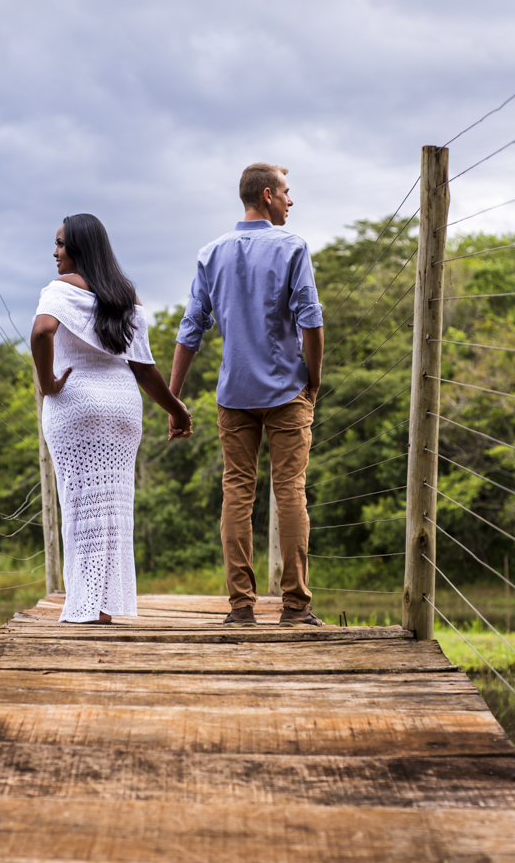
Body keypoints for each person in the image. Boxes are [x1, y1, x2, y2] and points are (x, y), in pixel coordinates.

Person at [169, 163, 324, 627]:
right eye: (286, 192)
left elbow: (190, 330)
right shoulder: (293, 247)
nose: (291, 201)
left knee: (236, 491)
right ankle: (295, 607)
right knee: (290, 491)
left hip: (234, 393)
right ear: (267, 195)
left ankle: (241, 606)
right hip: (286, 390)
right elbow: (311, 321)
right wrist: (312, 380)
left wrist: (173, 400)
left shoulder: (210, 253)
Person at [31, 214, 191, 624]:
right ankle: (104, 606)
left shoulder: (60, 290)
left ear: (81, 248)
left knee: (80, 503)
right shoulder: (127, 296)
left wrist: (48, 382)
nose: (55, 252)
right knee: (115, 507)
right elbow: (143, 368)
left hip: (76, 403)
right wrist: (176, 409)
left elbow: (41, 333)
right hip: (122, 406)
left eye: (62, 244)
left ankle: (84, 607)